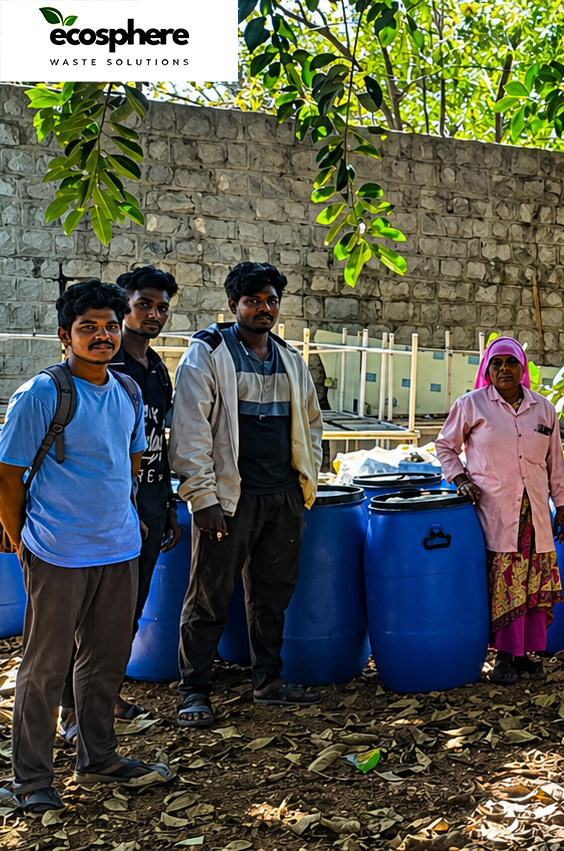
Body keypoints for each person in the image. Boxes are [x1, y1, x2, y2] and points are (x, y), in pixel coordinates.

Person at [0, 281, 174, 816]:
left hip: (118, 549)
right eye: (87, 327)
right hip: (57, 552)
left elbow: (131, 460)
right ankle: (31, 780)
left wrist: (128, 520)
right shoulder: (43, 394)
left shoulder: (126, 390)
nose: (101, 336)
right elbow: (7, 476)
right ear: (64, 335)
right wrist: (21, 538)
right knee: (44, 667)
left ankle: (98, 756)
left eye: (108, 326)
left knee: (105, 661)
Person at [169, 262, 324, 726]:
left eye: (271, 300)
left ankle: (268, 681)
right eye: (253, 300)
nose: (264, 308)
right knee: (209, 596)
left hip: (281, 497)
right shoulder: (209, 354)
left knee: (273, 595)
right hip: (229, 501)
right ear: (233, 304)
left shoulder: (289, 358)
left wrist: (303, 485)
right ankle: (194, 690)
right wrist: (203, 497)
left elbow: (312, 425)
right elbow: (190, 430)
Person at [59, 266, 183, 744]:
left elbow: (158, 440)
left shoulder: (156, 371)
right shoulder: (103, 369)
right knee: (86, 619)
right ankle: (72, 709)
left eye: (161, 307)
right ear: (122, 308)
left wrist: (167, 502)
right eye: (143, 304)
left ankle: (103, 696)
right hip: (101, 513)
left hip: (148, 507)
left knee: (126, 612)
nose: (152, 314)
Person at [435, 336, 564, 685]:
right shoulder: (472, 405)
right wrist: (461, 478)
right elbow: (445, 446)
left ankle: (529, 653)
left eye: (511, 362)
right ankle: (505, 657)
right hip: (494, 512)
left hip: (536, 512)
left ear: (522, 368)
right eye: (497, 364)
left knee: (533, 581)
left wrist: (563, 506)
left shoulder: (543, 408)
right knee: (504, 584)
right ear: (488, 370)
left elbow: (555, 463)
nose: (504, 369)